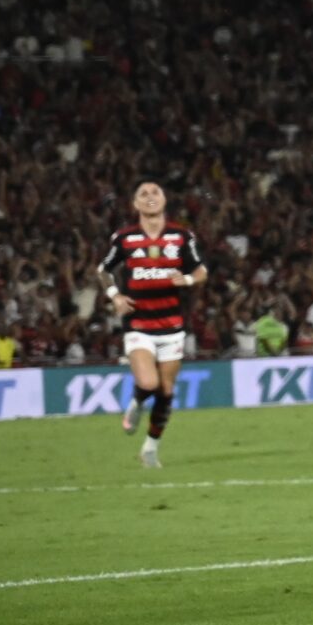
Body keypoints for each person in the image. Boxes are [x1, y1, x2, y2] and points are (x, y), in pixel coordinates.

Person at [99, 181, 205, 468]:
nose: (149, 197)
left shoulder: (181, 237)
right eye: (143, 194)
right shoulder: (124, 238)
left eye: (155, 192)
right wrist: (115, 295)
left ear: (164, 200)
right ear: (135, 204)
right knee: (148, 383)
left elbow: (201, 270)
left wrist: (187, 279)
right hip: (138, 322)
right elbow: (103, 270)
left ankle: (150, 448)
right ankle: (135, 403)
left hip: (172, 323)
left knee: (166, 392)